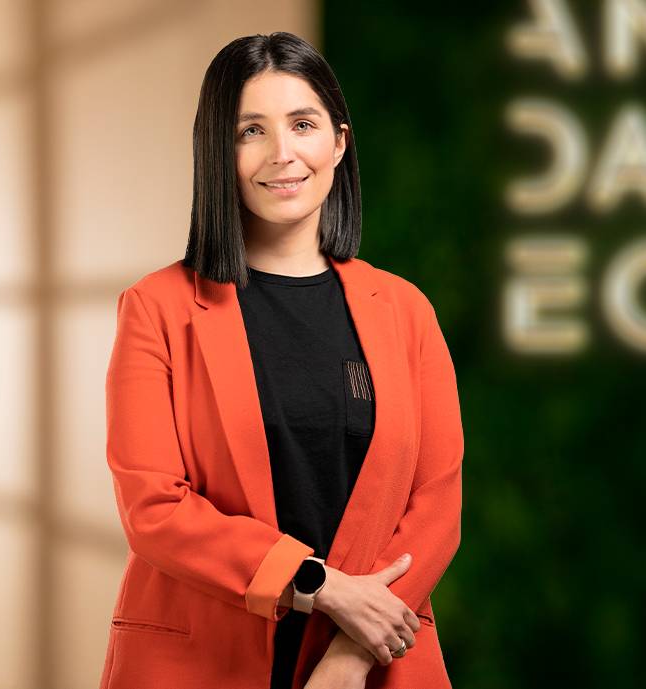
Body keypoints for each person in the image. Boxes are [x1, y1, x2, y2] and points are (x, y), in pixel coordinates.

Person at [98, 32, 463, 689]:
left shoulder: (405, 310)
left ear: (338, 143)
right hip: (198, 659)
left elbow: (435, 506)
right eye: (249, 131)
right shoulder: (155, 308)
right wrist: (319, 585)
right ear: (217, 152)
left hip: (374, 659)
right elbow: (152, 507)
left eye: (302, 124)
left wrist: (351, 651)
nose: (282, 154)